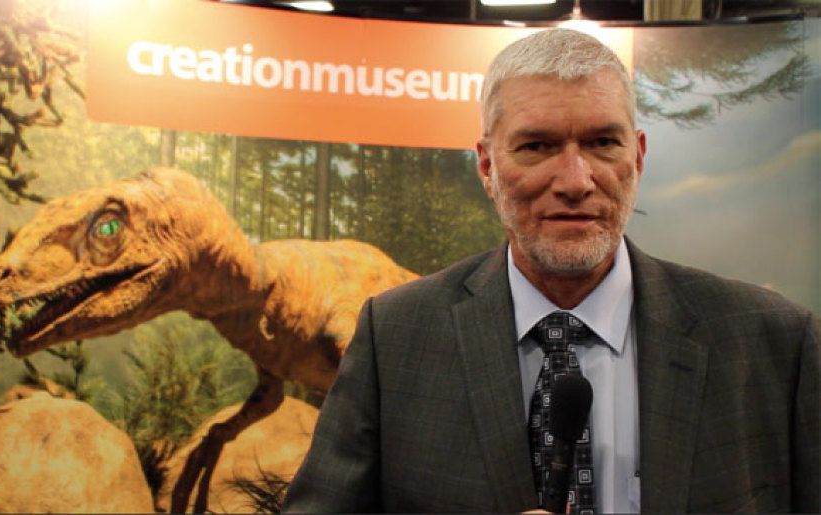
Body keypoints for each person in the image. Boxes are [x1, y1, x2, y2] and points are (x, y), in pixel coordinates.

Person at [282, 28, 820, 513]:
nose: (575, 180)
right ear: (488, 166)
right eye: (537, 146)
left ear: (638, 157)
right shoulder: (397, 335)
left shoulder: (774, 342)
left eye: (601, 143)